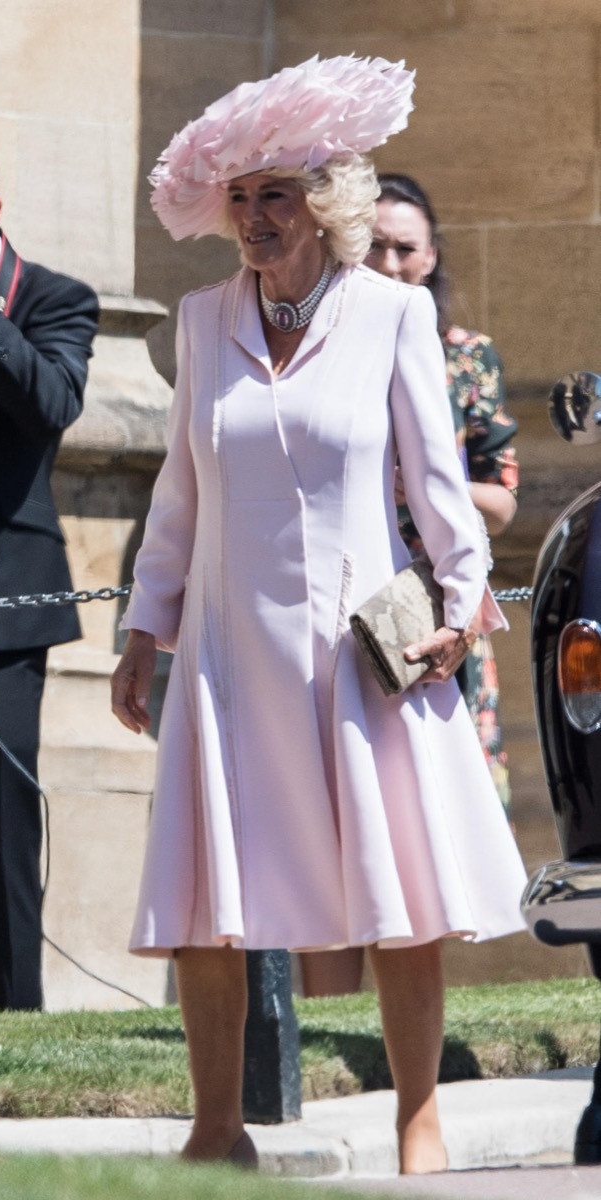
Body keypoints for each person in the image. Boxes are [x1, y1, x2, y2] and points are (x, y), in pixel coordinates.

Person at [111, 56, 528, 1176]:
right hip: (225, 651)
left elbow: (441, 488)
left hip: (361, 650)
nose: (252, 218)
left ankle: (417, 1118)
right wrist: (143, 631)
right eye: (239, 198)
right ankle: (216, 1128)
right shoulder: (203, 321)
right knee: (210, 897)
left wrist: (460, 605)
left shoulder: (391, 314)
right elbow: (179, 494)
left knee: (399, 895)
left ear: (327, 204)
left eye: (275, 196)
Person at [300, 173, 520, 999]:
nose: (391, 262)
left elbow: (500, 495)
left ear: (431, 259)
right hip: (335, 603)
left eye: (407, 248)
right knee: (330, 821)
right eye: (377, 245)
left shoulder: (463, 355)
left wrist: (420, 473)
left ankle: (405, 1021)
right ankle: (333, 1011)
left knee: (419, 821)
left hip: (430, 607)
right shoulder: (320, 340)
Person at [0, 150, 99, 1010]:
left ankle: (13, 1009)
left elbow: (55, 403)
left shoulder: (54, 299)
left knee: (0, 819)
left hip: (4, 604)